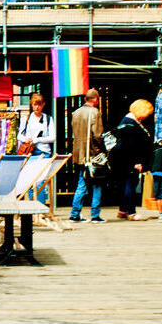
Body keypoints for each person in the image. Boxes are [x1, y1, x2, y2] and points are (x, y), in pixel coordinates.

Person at [111, 98, 154, 221]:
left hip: (126, 160)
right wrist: (137, 162)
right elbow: (131, 146)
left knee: (126, 185)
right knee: (130, 185)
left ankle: (123, 210)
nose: (147, 116)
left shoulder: (128, 121)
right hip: (131, 161)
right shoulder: (131, 124)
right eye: (147, 112)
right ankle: (131, 212)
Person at [69, 88, 105, 223]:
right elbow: (97, 135)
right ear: (96, 99)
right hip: (92, 155)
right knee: (97, 184)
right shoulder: (95, 112)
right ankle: (95, 215)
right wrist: (102, 150)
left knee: (81, 184)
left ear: (86, 99)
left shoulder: (76, 113)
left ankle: (75, 214)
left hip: (79, 154)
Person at [17, 93, 55, 203]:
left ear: (43, 105)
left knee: (40, 181)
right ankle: (30, 206)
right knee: (29, 180)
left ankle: (40, 207)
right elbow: (19, 135)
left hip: (44, 152)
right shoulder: (27, 119)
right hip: (30, 153)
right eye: (34, 105)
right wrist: (25, 139)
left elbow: (52, 137)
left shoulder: (48, 119)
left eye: (39, 104)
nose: (36, 107)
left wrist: (37, 139)